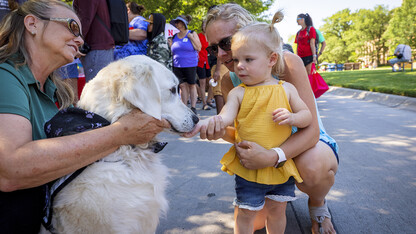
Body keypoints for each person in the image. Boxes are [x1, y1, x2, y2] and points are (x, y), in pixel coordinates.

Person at [0, 1, 170, 232]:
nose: (80, 40)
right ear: (33, 24)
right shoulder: (5, 77)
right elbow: (11, 170)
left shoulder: (53, 89)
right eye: (72, 27)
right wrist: (121, 133)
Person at [189, 4, 339, 234]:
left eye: (225, 43)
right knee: (253, 221)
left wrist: (272, 156)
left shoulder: (286, 63)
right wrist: (218, 130)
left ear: (246, 33)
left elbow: (311, 131)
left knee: (312, 167)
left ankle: (317, 203)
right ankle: (274, 191)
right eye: (212, 50)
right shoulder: (230, 80)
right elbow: (238, 131)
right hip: (264, 149)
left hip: (306, 145)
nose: (219, 55)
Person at [73, 0, 115, 82]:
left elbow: (84, 20)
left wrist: (75, 43)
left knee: (97, 89)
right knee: (103, 87)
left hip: (96, 49)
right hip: (102, 46)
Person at [168, 15, 201, 114]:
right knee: (182, 85)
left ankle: (193, 107)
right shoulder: (174, 36)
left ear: (183, 23)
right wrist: (170, 44)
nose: (176, 24)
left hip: (190, 63)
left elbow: (198, 47)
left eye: (177, 22)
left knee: (191, 84)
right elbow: (173, 51)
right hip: (177, 64)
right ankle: (184, 106)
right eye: (176, 23)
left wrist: (191, 38)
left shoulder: (192, 33)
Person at [197, 21, 214, 111]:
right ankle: (204, 103)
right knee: (202, 83)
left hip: (208, 61)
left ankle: (208, 100)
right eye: (203, 25)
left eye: (206, 25)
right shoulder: (199, 36)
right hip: (200, 61)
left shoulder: (211, 36)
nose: (204, 26)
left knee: (212, 81)